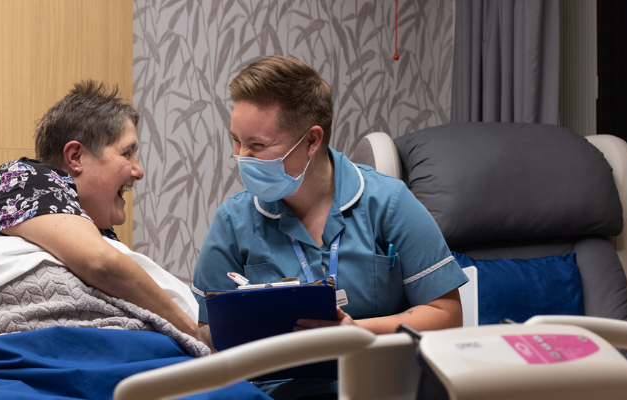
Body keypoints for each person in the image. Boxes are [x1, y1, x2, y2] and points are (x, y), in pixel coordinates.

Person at [191, 56, 467, 399]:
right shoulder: (234, 221)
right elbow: (205, 330)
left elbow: (447, 315)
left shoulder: (389, 203)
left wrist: (357, 331)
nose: (241, 156)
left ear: (311, 141)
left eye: (257, 145)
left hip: (377, 384)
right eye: (236, 141)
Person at [0, 80, 203, 344]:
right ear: (75, 157)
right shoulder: (25, 179)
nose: (138, 170)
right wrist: (193, 334)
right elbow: (101, 263)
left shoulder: (90, 227)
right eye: (127, 153)